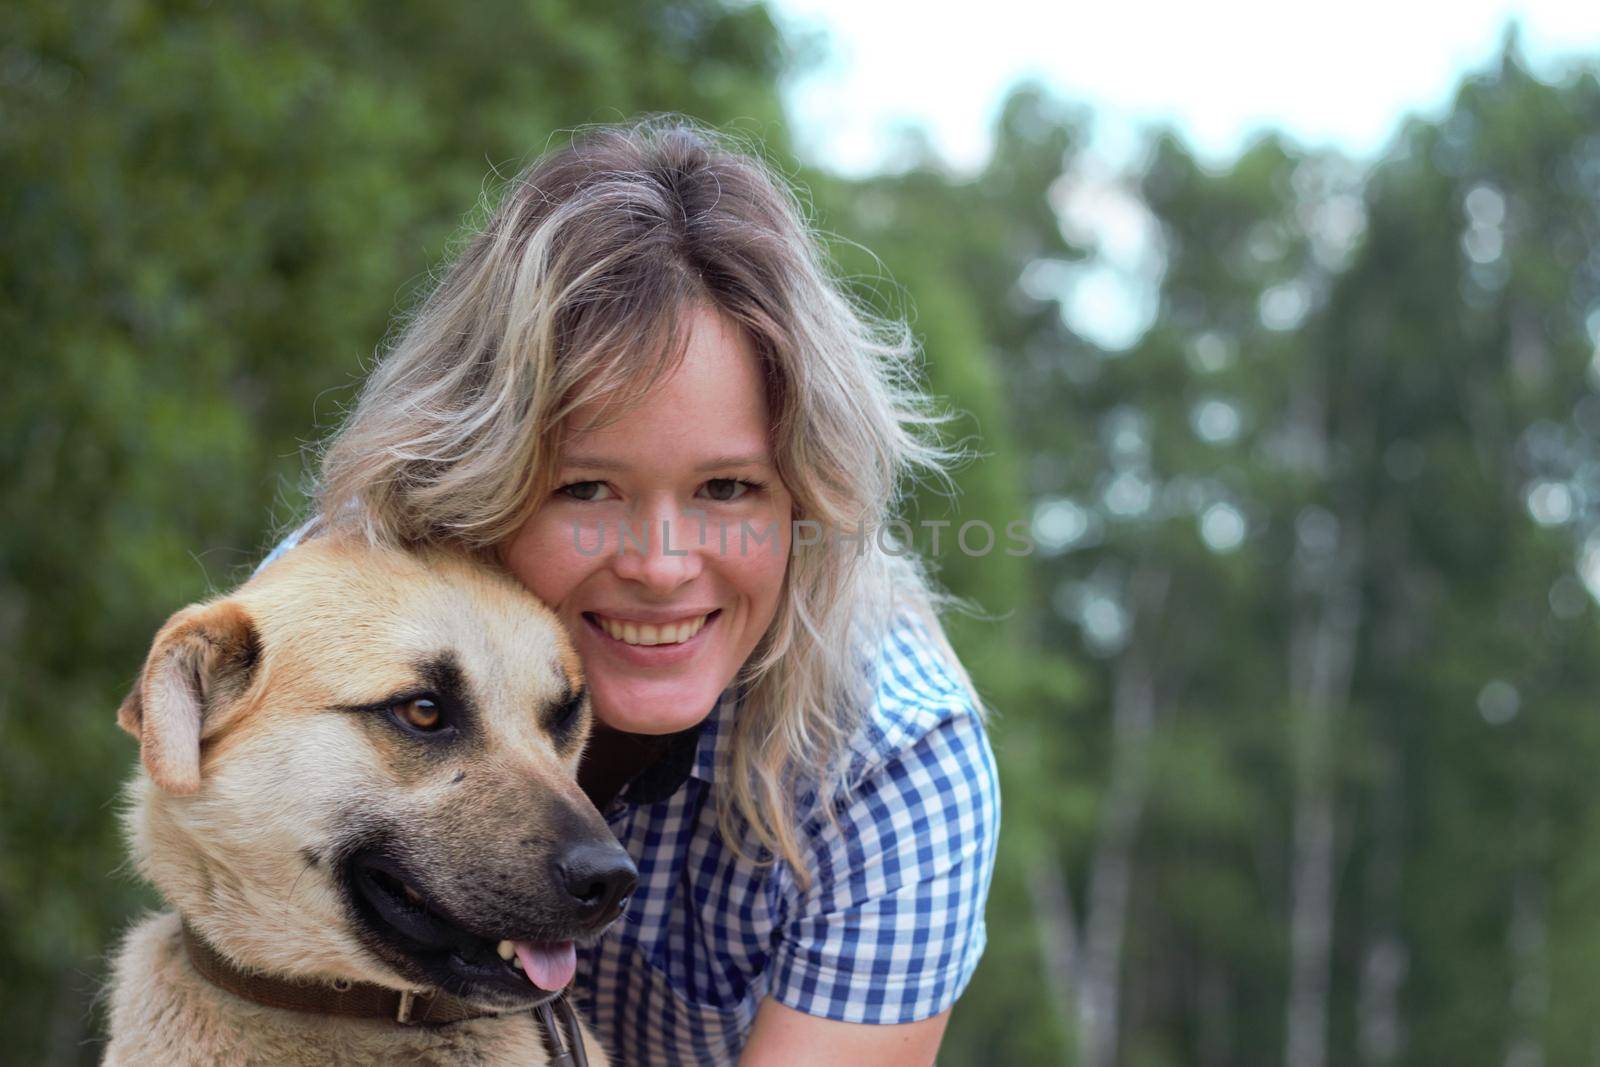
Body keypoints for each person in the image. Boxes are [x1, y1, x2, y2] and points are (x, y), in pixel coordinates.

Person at [266, 117, 999, 1066]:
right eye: (586, 488)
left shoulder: (891, 760)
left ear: (806, 502)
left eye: (727, 488)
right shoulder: (333, 634)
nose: (661, 565)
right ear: (467, 493)